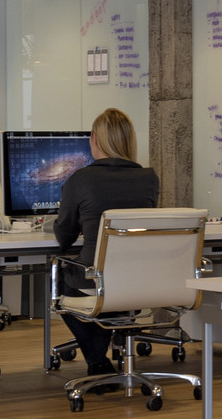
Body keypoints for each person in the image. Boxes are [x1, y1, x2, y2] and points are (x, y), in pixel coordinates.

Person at [53, 107, 161, 375]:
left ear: (95, 140)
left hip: (96, 280)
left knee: (61, 276)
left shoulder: (80, 179)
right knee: (106, 287)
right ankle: (101, 358)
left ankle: (97, 360)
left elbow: (63, 238)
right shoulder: (150, 178)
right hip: (137, 281)